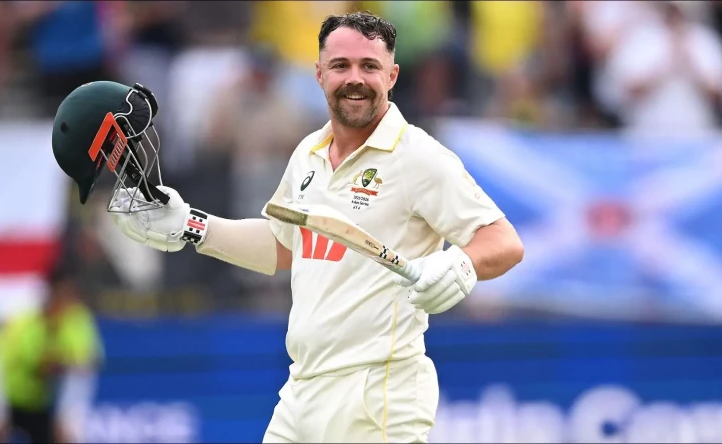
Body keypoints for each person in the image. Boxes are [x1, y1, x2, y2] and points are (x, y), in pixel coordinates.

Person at [51, 11, 523, 443]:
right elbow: (284, 245)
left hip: (377, 390)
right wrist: (192, 226)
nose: (354, 79)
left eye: (369, 67)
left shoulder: (419, 157)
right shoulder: (308, 155)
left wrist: (458, 264)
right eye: (340, 66)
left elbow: (503, 242)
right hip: (302, 387)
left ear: (392, 76)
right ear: (319, 74)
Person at [0, 266, 103, 443]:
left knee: (67, 423)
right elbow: (39, 365)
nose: (66, 300)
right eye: (63, 293)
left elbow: (89, 359)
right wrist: (62, 361)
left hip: (42, 397)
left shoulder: (77, 317)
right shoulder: (26, 315)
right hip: (0, 376)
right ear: (51, 291)